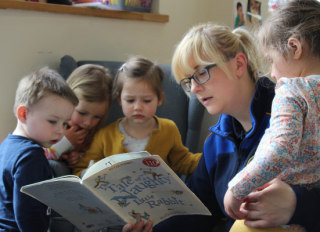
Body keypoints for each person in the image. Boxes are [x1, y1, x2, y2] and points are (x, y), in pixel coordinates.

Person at [153, 22, 320, 232]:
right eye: (188, 81)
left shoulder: (294, 112)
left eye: (201, 73)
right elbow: (198, 211)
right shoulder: (216, 140)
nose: (194, 88)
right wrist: (152, 227)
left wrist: (298, 205)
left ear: (238, 64)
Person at [224, 0, 320, 231]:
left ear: (295, 47)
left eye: (271, 60)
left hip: (270, 212)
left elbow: (281, 151)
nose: (272, 73)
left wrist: (236, 187)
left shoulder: (292, 90)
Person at [72, 56, 202, 178]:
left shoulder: (169, 129)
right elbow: (80, 169)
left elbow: (182, 161)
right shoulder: (105, 135)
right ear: (119, 100)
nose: (138, 107)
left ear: (159, 99)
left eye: (146, 100)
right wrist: (88, 173)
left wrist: (210, 157)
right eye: (130, 100)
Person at [0, 67, 78, 231]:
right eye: (52, 121)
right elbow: (29, 213)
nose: (60, 131)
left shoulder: (6, 145)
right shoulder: (31, 156)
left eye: (65, 123)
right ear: (23, 114)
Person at [44, 64, 113, 176]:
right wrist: (65, 142)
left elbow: (89, 157)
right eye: (82, 113)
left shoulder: (95, 134)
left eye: (97, 117)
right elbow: (39, 156)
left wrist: (78, 157)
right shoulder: (51, 127)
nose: (88, 123)